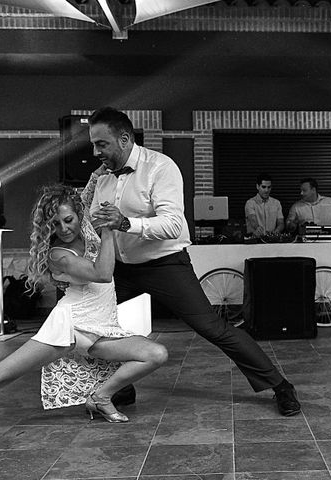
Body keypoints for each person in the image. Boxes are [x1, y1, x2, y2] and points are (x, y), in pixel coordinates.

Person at [81, 106, 301, 417]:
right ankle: (120, 387)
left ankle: (280, 386)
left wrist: (126, 223)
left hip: (164, 264)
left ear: (125, 139)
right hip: (120, 267)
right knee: (85, 319)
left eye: (101, 144)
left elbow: (173, 224)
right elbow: (95, 219)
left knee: (213, 328)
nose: (95, 151)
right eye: (93, 144)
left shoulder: (160, 167)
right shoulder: (102, 177)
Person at [0, 184, 168, 431]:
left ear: (79, 215)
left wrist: (101, 195)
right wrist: (108, 229)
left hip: (101, 327)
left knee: (155, 353)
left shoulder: (85, 232)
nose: (64, 228)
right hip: (72, 327)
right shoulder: (58, 254)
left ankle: (100, 396)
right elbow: (102, 273)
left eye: (68, 220)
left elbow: (91, 187)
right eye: (56, 224)